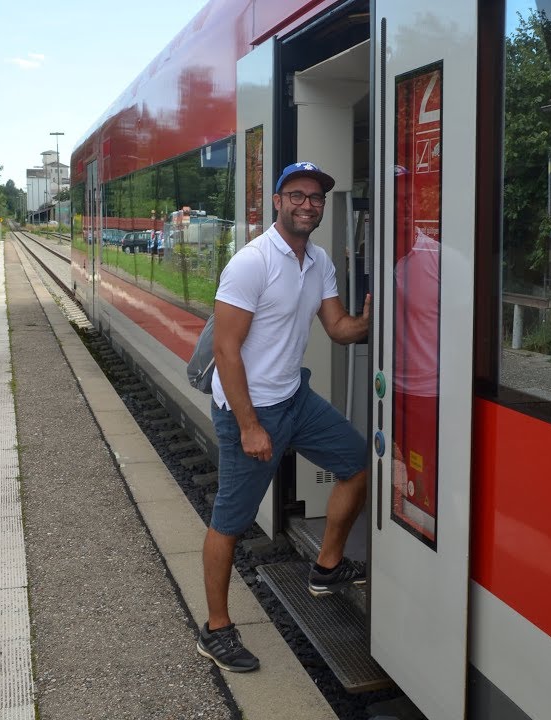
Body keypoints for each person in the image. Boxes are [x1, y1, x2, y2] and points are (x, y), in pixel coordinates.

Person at [196, 161, 372, 673]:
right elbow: (227, 351)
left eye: (315, 198)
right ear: (277, 202)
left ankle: (327, 566)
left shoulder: (317, 261)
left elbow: (337, 328)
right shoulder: (253, 263)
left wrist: (370, 321)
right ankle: (216, 629)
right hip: (250, 408)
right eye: (296, 195)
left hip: (296, 397)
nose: (307, 204)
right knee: (231, 521)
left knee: (357, 462)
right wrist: (250, 426)